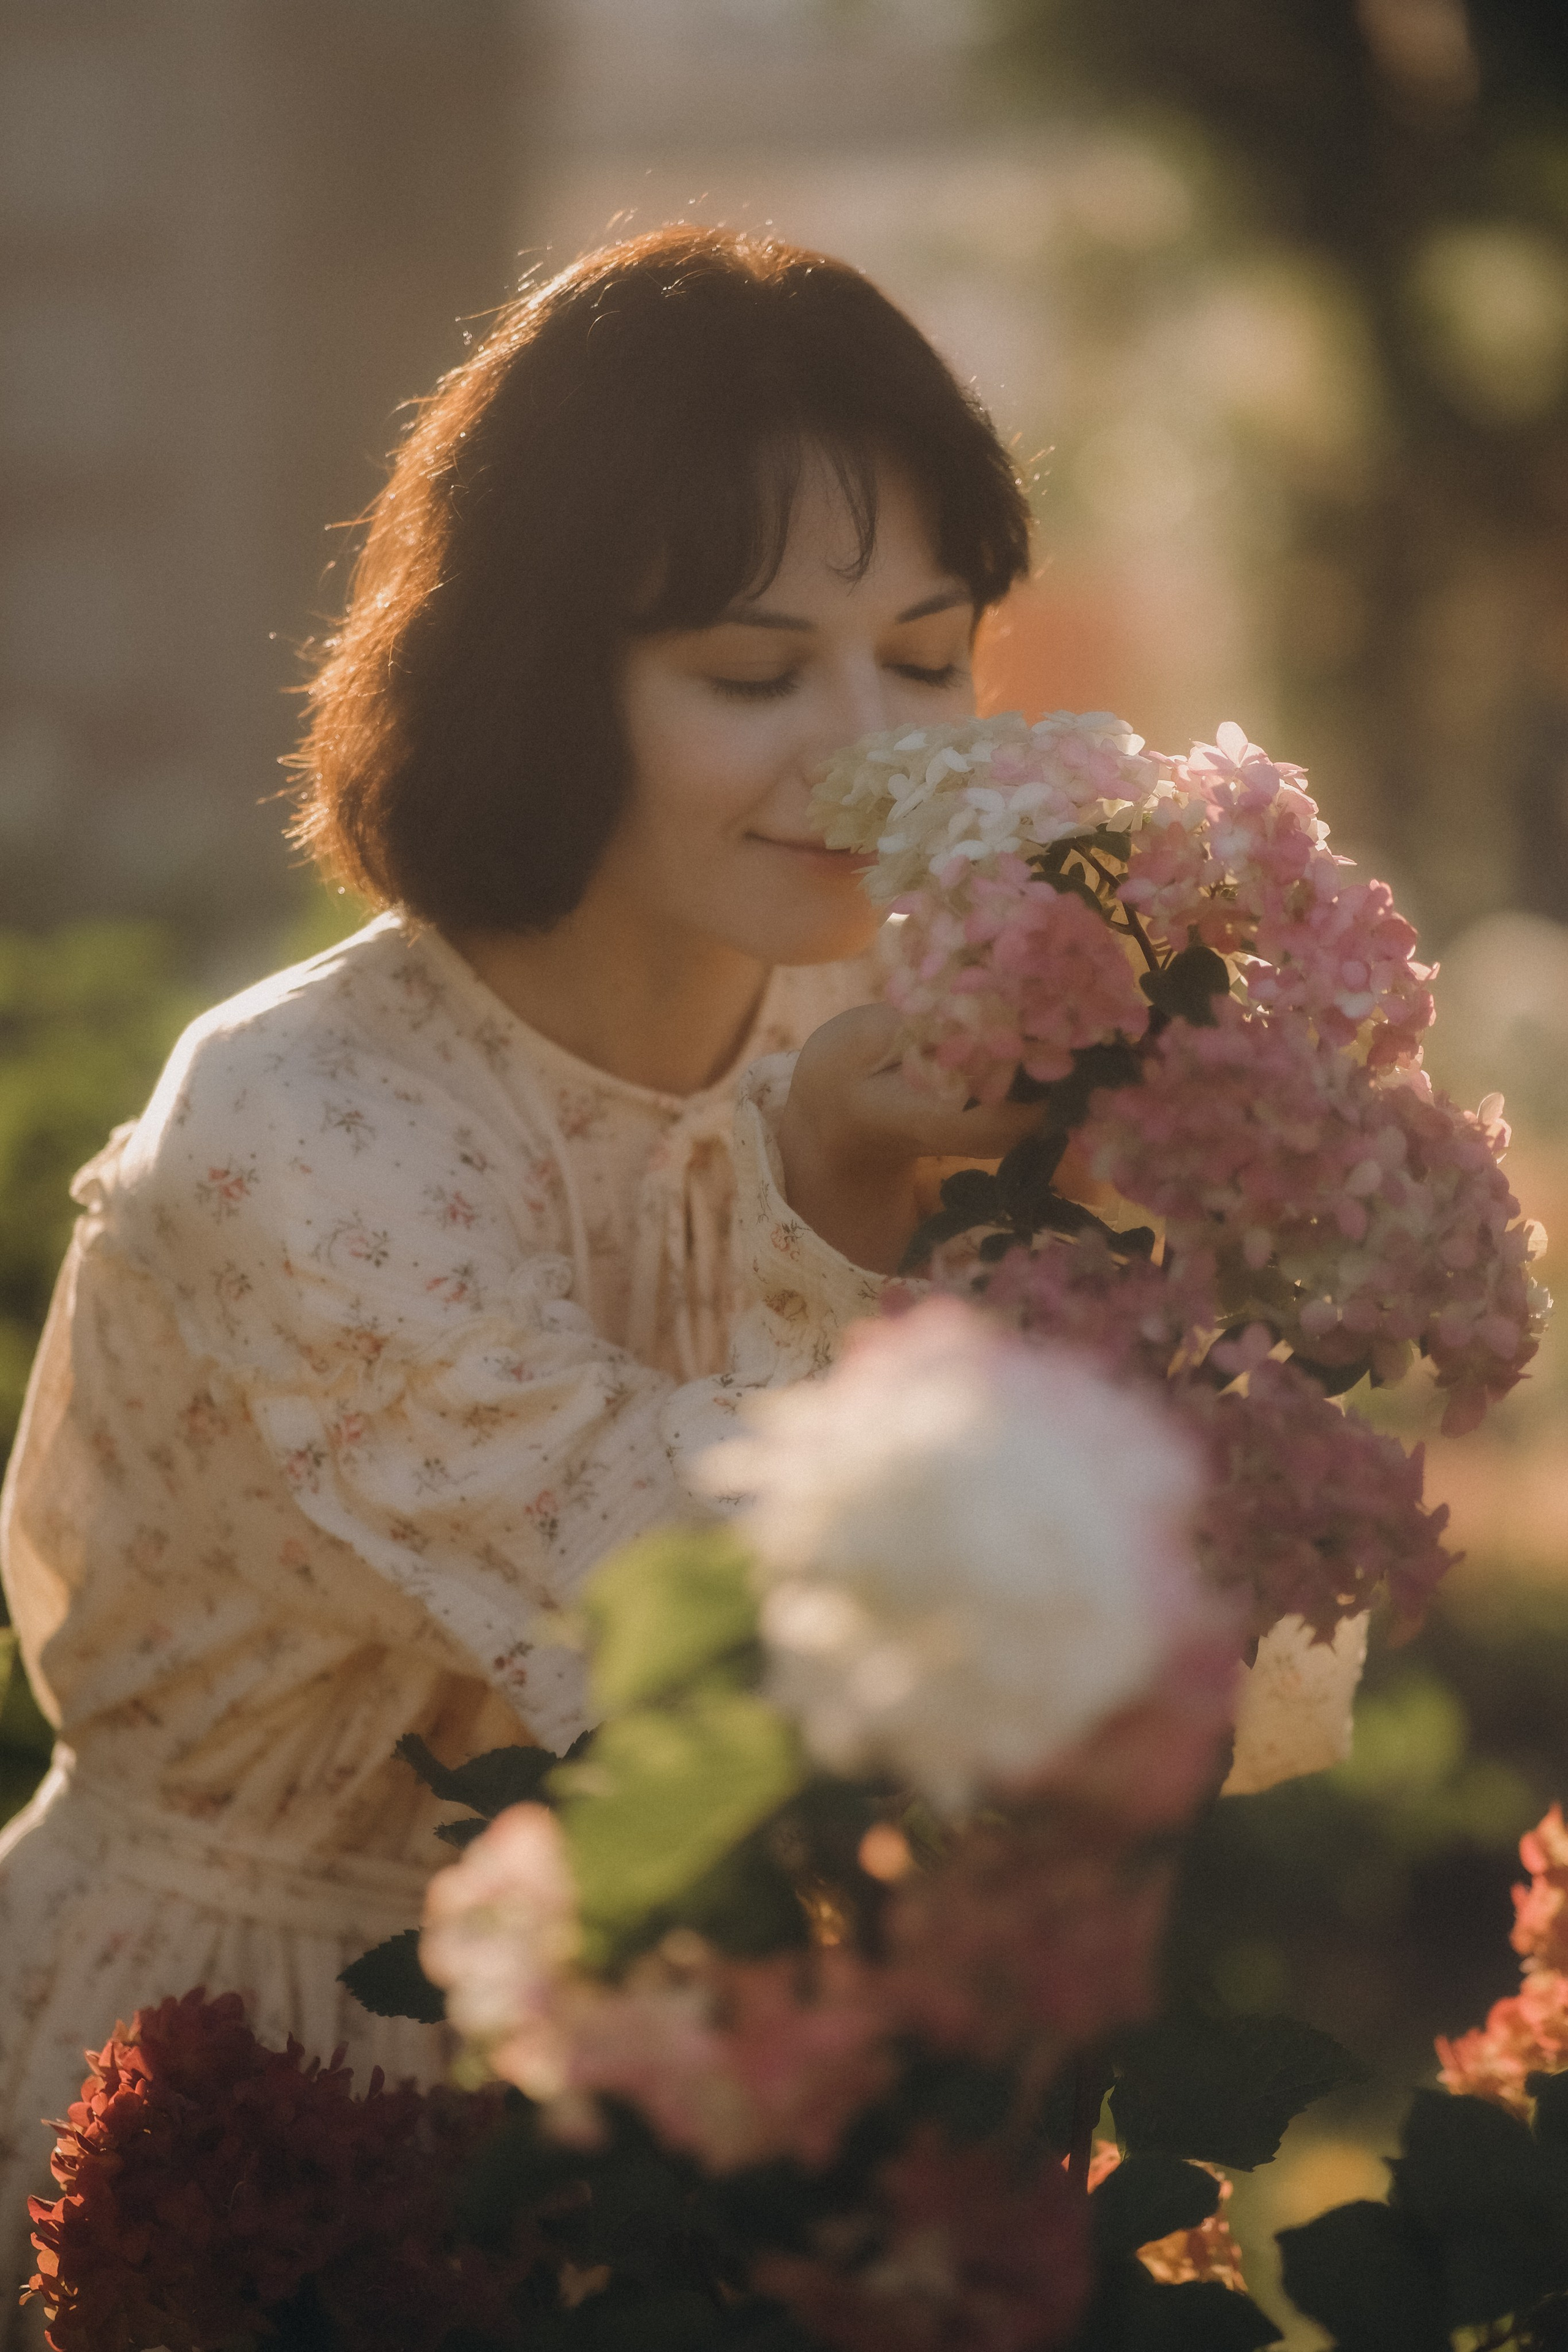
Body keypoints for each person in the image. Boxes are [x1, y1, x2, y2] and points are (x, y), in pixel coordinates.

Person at [0, 225, 1041, 2326]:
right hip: (230, 2067)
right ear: (539, 672)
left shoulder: (887, 1045)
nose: (870, 747)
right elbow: (694, 1655)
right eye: (755, 675)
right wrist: (842, 1191)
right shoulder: (302, 1125)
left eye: (925, 657)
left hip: (694, 2084)